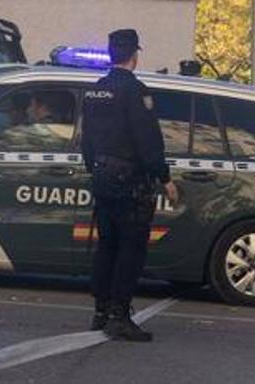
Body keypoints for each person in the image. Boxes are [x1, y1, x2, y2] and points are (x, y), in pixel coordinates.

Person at [81, 29, 179, 342]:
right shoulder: (136, 92)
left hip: (102, 178)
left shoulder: (96, 90)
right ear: (135, 55)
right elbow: (148, 141)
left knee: (106, 246)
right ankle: (120, 315)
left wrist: (94, 171)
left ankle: (100, 310)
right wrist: (165, 178)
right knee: (131, 249)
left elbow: (87, 141)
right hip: (130, 182)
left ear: (111, 54)